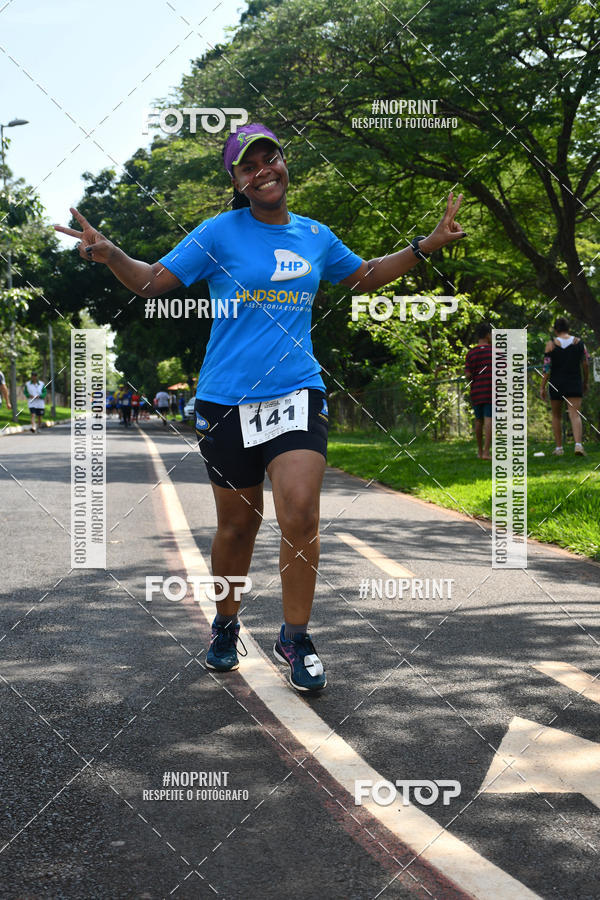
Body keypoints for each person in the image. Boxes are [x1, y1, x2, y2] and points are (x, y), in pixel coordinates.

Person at [54, 122, 466, 692]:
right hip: (226, 399)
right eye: (249, 166)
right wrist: (111, 254)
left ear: (283, 164)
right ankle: (226, 624)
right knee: (238, 526)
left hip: (297, 391)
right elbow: (152, 284)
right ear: (238, 182)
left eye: (270, 158)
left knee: (300, 512)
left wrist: (426, 246)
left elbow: (366, 275)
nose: (263, 170)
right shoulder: (219, 233)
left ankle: (296, 638)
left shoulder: (315, 235)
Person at [540, 316, 589, 456]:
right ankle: (578, 445)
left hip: (556, 383)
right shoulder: (580, 343)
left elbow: (546, 368)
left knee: (556, 416)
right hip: (574, 382)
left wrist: (542, 387)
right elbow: (586, 364)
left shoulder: (550, 345)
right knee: (575, 414)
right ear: (569, 328)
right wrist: (585, 381)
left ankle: (559, 448)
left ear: (555, 330)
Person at [465, 322, 493, 459]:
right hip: (490, 391)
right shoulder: (495, 352)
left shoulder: (471, 353)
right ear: (488, 335)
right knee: (489, 419)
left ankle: (480, 451)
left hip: (476, 391)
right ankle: (487, 452)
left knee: (478, 420)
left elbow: (468, 375)